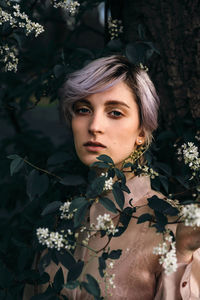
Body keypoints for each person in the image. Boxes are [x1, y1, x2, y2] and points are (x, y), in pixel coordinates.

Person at [24, 55, 200, 299]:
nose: (94, 125)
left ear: (142, 131)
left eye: (115, 113)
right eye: (83, 110)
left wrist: (181, 255)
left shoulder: (174, 228)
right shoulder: (57, 224)